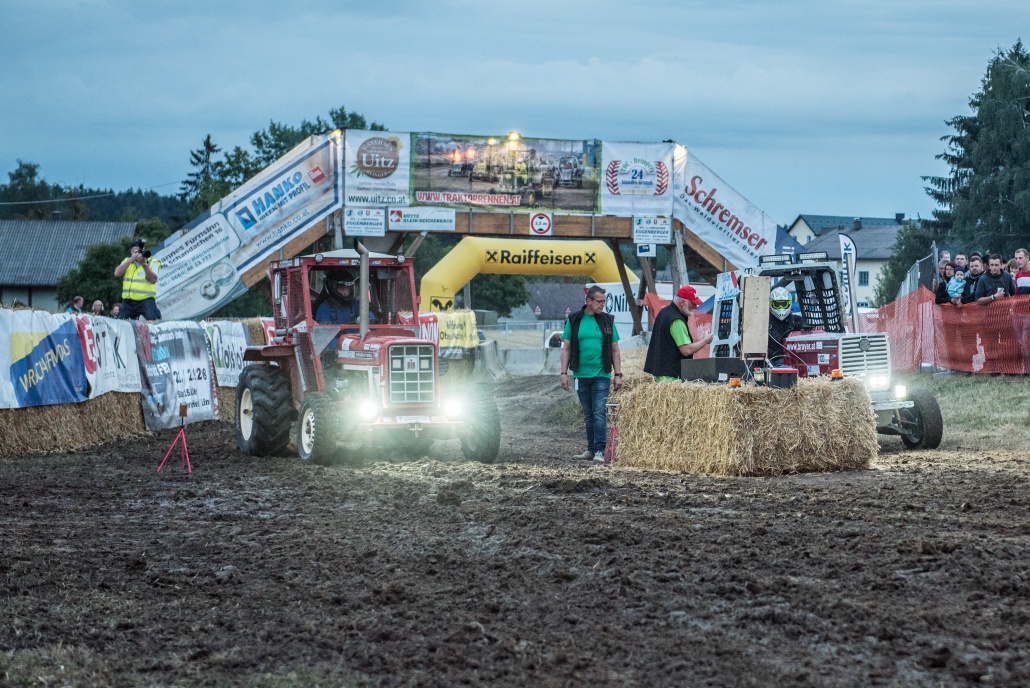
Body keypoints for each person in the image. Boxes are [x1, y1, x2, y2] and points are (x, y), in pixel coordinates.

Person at [560, 285, 622, 463]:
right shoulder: (574, 320)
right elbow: (566, 348)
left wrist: (618, 374)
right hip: (581, 374)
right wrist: (563, 373)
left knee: (599, 412)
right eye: (599, 301)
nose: (602, 305)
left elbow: (615, 349)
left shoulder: (608, 321)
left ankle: (600, 450)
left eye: (604, 301)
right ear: (588, 301)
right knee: (588, 414)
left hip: (602, 373)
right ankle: (591, 449)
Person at [644, 285, 713, 383]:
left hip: (662, 374)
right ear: (682, 302)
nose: (695, 307)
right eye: (693, 303)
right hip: (671, 377)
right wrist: (706, 340)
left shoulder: (664, 312)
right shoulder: (676, 320)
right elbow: (686, 350)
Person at [114, 239, 161, 320]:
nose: (136, 254)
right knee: (121, 322)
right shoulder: (127, 261)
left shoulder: (153, 262)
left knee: (153, 320)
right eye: (134, 252)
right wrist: (131, 260)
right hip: (128, 301)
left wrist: (144, 264)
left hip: (146, 300)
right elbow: (117, 273)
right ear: (131, 252)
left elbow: (153, 280)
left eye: (138, 252)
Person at [767, 286, 805, 362]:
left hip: (794, 358)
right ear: (771, 304)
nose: (780, 307)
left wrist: (798, 327)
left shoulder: (796, 320)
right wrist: (773, 353)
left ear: (789, 303)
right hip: (773, 360)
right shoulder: (765, 322)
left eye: (784, 304)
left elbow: (805, 325)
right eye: (777, 304)